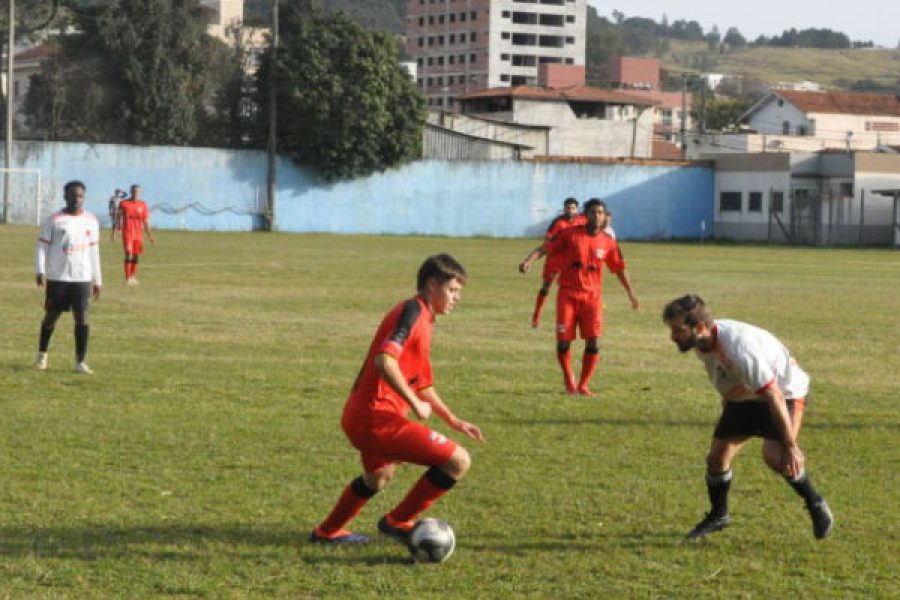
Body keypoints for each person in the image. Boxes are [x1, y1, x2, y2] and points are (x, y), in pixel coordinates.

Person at [310, 254, 485, 545]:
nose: (456, 298)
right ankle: (398, 522)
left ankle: (327, 532)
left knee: (378, 478)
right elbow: (384, 361)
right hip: (376, 418)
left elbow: (422, 384)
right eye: (452, 290)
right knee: (458, 461)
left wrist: (452, 419)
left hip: (363, 415)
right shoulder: (412, 313)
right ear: (432, 285)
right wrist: (414, 404)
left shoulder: (424, 317)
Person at [661, 294, 834, 540]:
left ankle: (816, 503)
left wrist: (792, 446)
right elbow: (726, 377)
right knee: (717, 458)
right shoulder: (702, 344)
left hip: (784, 391)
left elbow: (773, 393)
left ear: (699, 328)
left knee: (777, 457)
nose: (673, 336)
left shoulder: (739, 348)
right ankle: (719, 515)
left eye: (677, 330)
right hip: (747, 392)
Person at [519, 198, 639, 396]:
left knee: (593, 341)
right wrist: (529, 261)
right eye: (593, 212)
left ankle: (583, 385)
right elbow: (545, 248)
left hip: (592, 299)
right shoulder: (569, 234)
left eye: (600, 212)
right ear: (585, 214)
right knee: (564, 342)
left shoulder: (608, 242)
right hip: (568, 295)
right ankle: (568, 378)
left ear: (604, 216)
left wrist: (631, 293)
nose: (597, 216)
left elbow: (618, 269)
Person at [35, 180, 102, 374]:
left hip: (82, 278)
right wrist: (40, 270)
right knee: (51, 316)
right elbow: (42, 246)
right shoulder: (54, 220)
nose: (77, 199)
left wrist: (98, 279)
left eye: (80, 196)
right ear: (65, 197)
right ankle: (42, 354)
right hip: (58, 277)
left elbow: (94, 251)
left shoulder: (91, 220)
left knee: (82, 317)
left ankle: (80, 361)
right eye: (73, 195)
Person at [529, 197, 585, 329]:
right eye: (568, 208)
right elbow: (547, 242)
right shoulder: (557, 223)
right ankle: (536, 315)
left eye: (573, 208)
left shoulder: (582, 220)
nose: (570, 210)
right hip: (555, 259)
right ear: (564, 208)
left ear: (577, 209)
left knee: (576, 288)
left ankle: (573, 318)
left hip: (572, 261)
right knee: (546, 287)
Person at [111, 184, 155, 285]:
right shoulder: (124, 203)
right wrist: (114, 233)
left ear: (140, 192)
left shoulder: (143, 205)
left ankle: (132, 276)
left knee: (136, 255)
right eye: (134, 191)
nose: (136, 193)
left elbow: (146, 222)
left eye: (137, 191)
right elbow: (117, 219)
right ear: (130, 191)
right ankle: (127, 278)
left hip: (138, 234)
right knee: (128, 253)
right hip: (127, 233)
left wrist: (150, 236)